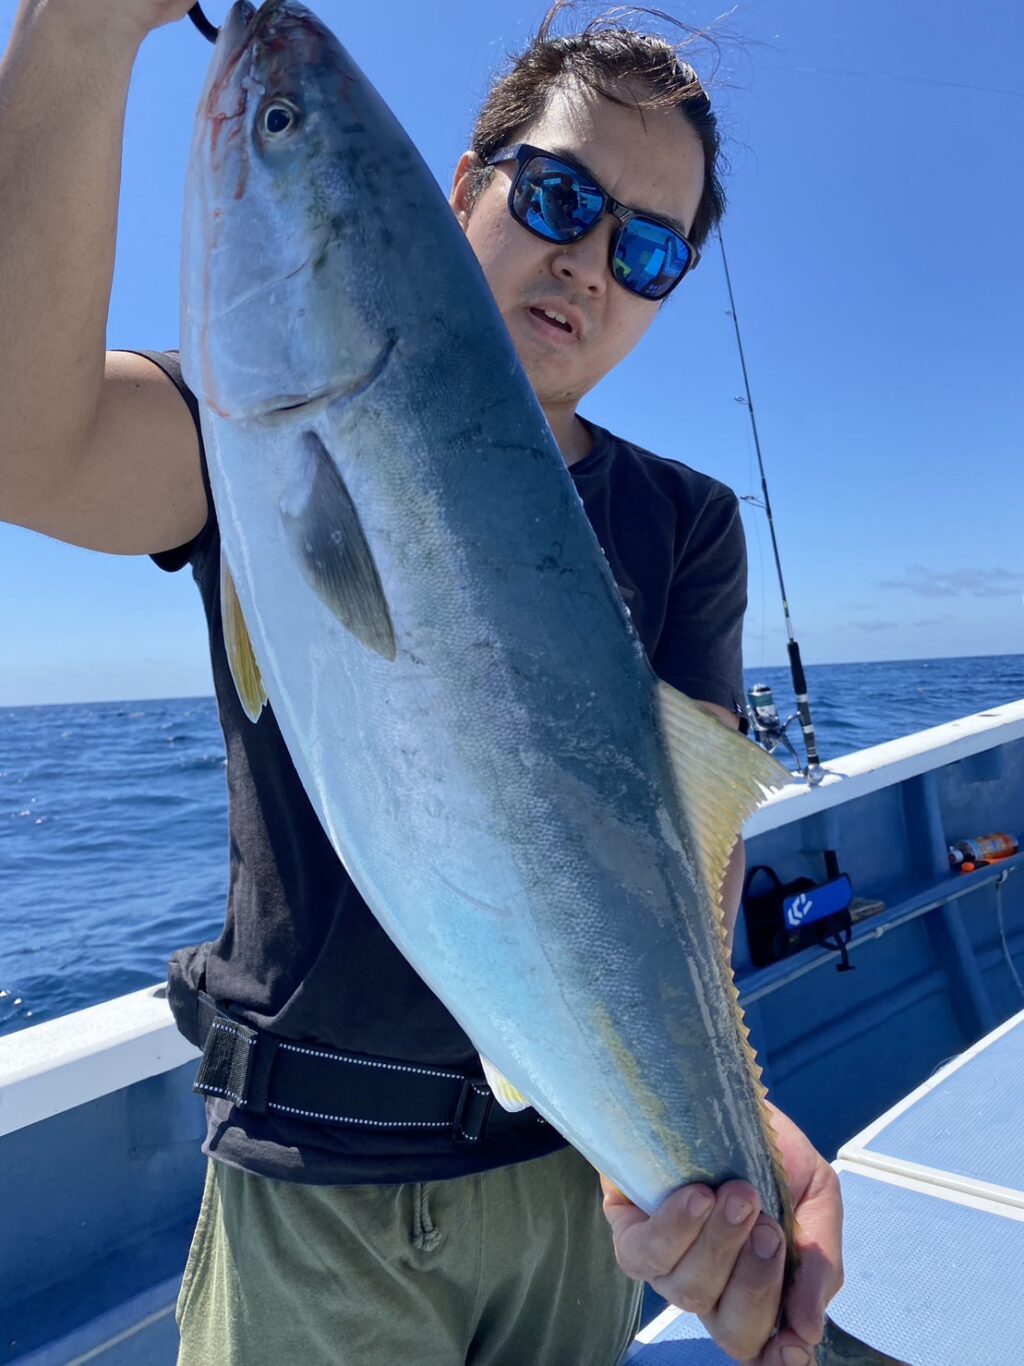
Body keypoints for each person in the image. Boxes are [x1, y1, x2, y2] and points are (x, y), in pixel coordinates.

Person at [0, 1, 843, 1363]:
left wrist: (734, 1138)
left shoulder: (687, 523)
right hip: (316, 1190)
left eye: (647, 250)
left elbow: (679, 873)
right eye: (559, 195)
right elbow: (21, 442)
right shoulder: (249, 431)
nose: (587, 263)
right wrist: (78, 34)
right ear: (465, 189)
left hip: (571, 1183)